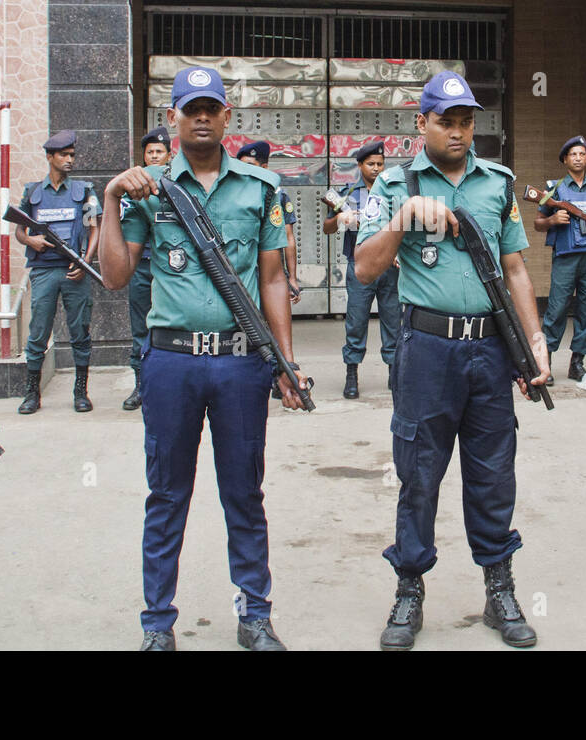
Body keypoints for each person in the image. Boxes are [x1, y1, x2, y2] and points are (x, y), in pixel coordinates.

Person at [99, 65, 309, 652]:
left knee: (244, 491)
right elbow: (116, 277)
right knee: (167, 495)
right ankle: (157, 624)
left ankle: (254, 615)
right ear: (172, 118)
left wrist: (285, 365)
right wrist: (113, 197)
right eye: (189, 107)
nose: (200, 116)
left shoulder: (259, 189)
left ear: (226, 118)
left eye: (210, 108)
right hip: (171, 364)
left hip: (242, 364)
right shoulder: (149, 189)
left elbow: (272, 281)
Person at [354, 70, 550, 651]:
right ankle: (409, 590)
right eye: (447, 121)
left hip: (491, 347)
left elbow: (515, 268)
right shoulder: (394, 184)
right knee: (419, 472)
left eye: (467, 121)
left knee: (493, 472)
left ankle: (499, 589)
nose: (460, 131)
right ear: (422, 123)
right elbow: (365, 268)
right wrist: (404, 217)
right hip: (427, 349)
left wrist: (534, 342)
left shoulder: (497, 185)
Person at [14, 130, 100, 414]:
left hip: (74, 271)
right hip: (43, 271)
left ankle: (81, 392)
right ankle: (31, 393)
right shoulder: (32, 192)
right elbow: (19, 231)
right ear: (49, 157)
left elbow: (94, 227)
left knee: (80, 332)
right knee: (38, 332)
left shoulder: (84, 191)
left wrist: (85, 261)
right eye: (64, 155)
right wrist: (31, 240)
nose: (69, 160)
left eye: (72, 155)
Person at [324, 139, 400, 398]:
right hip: (359, 267)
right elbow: (327, 228)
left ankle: (394, 372)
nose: (377, 168)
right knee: (356, 321)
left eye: (380, 164)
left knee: (393, 321)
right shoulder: (346, 195)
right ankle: (352, 373)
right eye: (371, 164)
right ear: (359, 165)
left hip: (390, 267)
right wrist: (339, 218)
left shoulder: (392, 193)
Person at [533, 134, 586, 385]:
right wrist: (552, 220)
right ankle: (547, 363)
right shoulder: (553, 188)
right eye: (573, 154)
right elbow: (537, 223)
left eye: (581, 154)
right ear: (565, 160)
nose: (577, 158)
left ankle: (577, 364)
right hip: (566, 258)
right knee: (555, 310)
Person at [121, 124, 172, 411]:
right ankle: (141, 385)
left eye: (159, 151)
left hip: (168, 267)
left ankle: (166, 383)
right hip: (141, 266)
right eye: (150, 152)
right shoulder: (132, 188)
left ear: (168, 154)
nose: (154, 156)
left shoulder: (177, 182)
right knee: (140, 326)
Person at [237, 141, 301, 304]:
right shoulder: (234, 196)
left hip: (272, 270)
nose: (245, 171)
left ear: (264, 168)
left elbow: (289, 238)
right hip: (243, 271)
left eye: (250, 165)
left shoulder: (278, 196)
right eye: (241, 166)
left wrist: (292, 278)